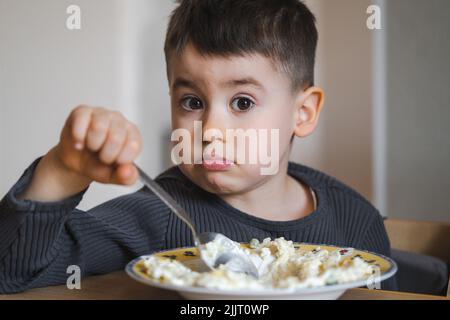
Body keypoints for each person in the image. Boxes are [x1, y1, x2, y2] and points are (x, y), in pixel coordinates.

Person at [0, 0, 397, 293]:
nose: (210, 131)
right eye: (192, 102)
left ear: (303, 112)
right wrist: (61, 170)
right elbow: (14, 272)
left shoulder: (357, 221)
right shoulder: (158, 215)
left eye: (242, 102)